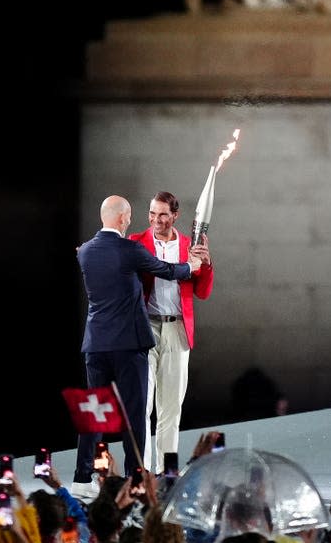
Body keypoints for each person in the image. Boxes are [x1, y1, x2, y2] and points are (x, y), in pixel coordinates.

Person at [72, 195, 202, 502]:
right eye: (129, 216)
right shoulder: (131, 250)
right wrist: (191, 265)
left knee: (93, 413)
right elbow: (166, 270)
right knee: (134, 412)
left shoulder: (85, 252)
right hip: (128, 345)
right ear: (120, 219)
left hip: (95, 345)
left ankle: (81, 478)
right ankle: (135, 478)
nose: (132, 221)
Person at [129, 191, 214, 474]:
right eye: (152, 213)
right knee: (142, 405)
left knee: (171, 407)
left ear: (175, 216)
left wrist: (206, 265)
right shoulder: (135, 243)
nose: (156, 220)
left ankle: (166, 473)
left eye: (163, 214)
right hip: (145, 328)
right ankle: (141, 472)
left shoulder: (190, 245)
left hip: (177, 330)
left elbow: (202, 292)